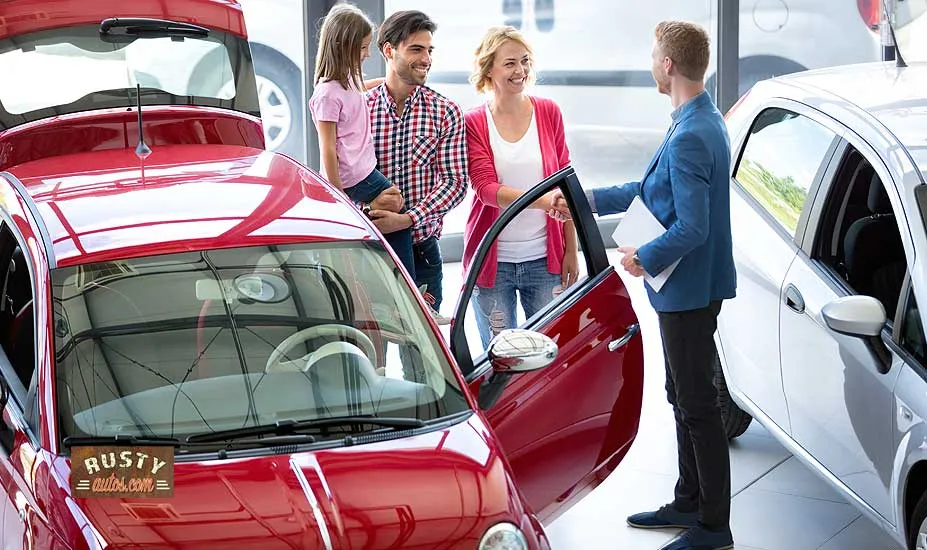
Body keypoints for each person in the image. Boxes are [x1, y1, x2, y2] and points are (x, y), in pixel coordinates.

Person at [552, 20, 736, 550]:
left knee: (698, 405)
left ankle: (714, 526)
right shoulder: (699, 118)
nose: (652, 64)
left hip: (687, 289)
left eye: (655, 56)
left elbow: (693, 227)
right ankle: (688, 500)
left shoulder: (693, 134)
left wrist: (642, 257)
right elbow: (651, 190)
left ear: (669, 66)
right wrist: (584, 198)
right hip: (693, 287)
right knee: (681, 393)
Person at [462, 26, 577, 347]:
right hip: (492, 265)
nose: (521, 70)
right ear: (489, 69)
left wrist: (571, 248)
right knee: (502, 360)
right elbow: (485, 188)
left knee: (550, 353)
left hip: (545, 259)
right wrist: (546, 202)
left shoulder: (548, 111)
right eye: (510, 63)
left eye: (525, 61)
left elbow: (565, 184)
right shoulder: (473, 121)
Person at [364, 10, 469, 323]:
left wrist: (407, 219)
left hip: (423, 252)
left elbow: (455, 183)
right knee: (371, 345)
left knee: (422, 356)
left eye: (429, 50)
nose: (426, 58)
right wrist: (367, 207)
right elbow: (340, 177)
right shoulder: (360, 108)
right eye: (416, 49)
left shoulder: (445, 111)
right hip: (369, 251)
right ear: (388, 50)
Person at [308, 3, 415, 279]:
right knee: (398, 212)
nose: (368, 54)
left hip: (364, 168)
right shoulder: (327, 94)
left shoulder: (349, 79)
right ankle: (407, 285)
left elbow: (357, 91)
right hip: (352, 175)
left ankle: (366, 220)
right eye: (363, 48)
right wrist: (337, 192)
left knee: (392, 208)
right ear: (343, 46)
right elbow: (327, 147)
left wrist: (389, 81)